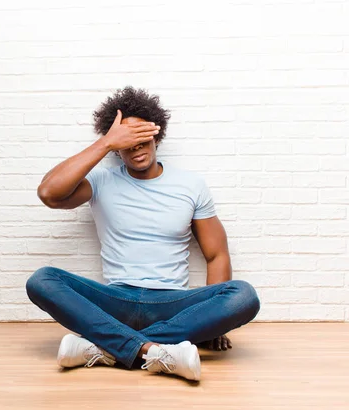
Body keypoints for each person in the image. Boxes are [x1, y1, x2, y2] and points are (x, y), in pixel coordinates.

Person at [26, 86, 260, 381]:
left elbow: (217, 254)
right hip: (115, 300)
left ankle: (107, 346)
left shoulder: (191, 185)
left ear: (156, 135)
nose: (137, 150)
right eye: (127, 143)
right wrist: (106, 143)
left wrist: (215, 325)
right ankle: (154, 351)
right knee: (42, 280)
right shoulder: (100, 181)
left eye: (142, 140)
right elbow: (48, 193)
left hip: (172, 305)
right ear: (117, 147)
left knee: (244, 295)